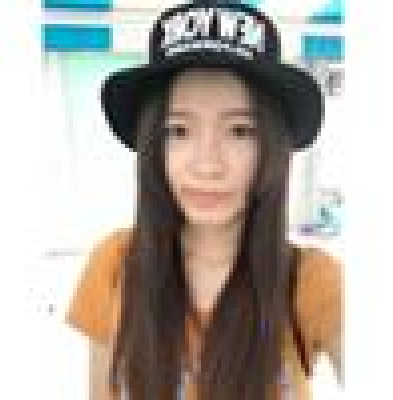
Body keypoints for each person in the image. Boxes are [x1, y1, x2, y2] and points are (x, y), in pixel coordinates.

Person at [65, 1, 343, 399]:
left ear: (272, 146)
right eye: (178, 131)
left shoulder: (313, 281)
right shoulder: (114, 264)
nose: (208, 165)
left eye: (240, 131)